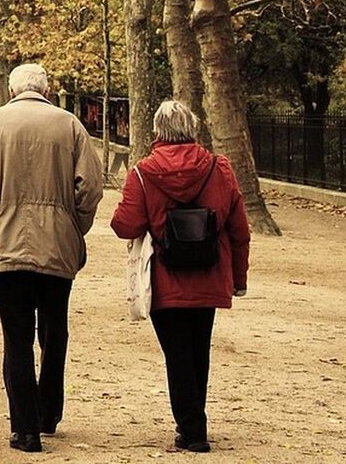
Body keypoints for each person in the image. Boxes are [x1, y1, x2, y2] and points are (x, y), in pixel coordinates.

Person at [0, 63, 104, 454]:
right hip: (58, 245)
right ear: (47, 89)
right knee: (55, 332)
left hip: (7, 246)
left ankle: (25, 430)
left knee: (16, 339)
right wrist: (74, 227)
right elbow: (90, 187)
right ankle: (49, 411)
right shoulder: (70, 125)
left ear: (11, 90)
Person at [110, 100, 251, 454]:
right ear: (193, 128)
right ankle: (194, 424)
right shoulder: (220, 169)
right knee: (198, 350)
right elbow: (239, 230)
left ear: (157, 131)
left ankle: (192, 428)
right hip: (208, 274)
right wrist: (239, 278)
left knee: (177, 353)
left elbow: (124, 224)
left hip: (166, 277)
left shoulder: (144, 172)